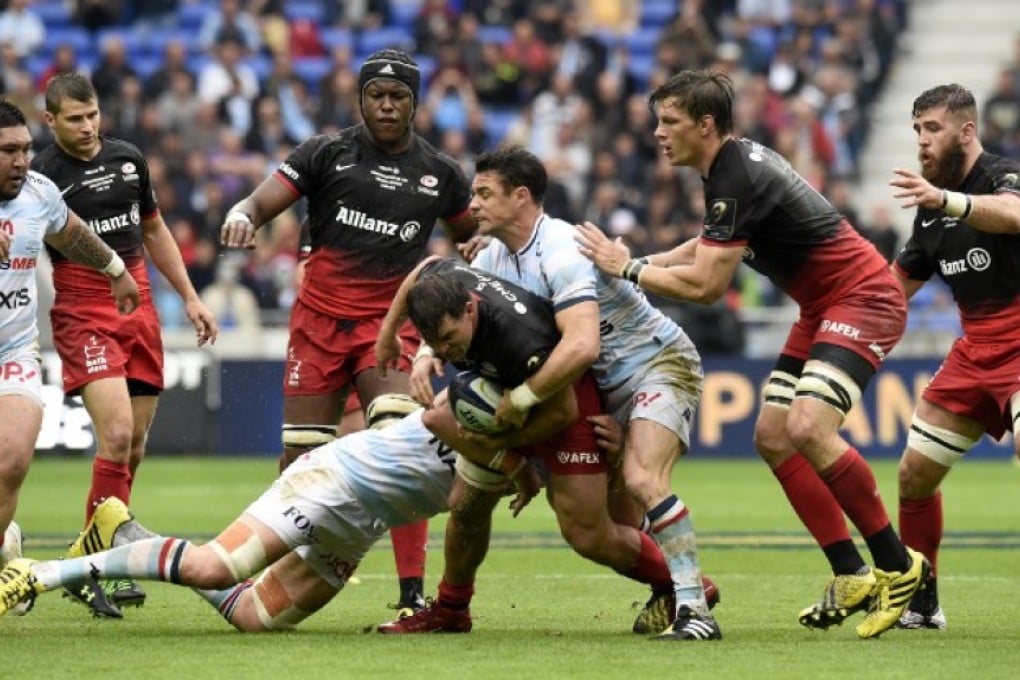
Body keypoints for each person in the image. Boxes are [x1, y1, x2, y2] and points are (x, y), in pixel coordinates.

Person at [574, 69, 927, 640]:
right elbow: (705, 246)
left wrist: (631, 269)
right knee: (772, 433)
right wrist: (641, 260)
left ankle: (897, 565)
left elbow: (709, 286)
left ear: (705, 125)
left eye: (670, 122)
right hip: (820, 306)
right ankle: (851, 570)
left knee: (810, 424)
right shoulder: (729, 170)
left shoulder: (734, 177)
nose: (659, 134)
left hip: (862, 298)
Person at [219, 49, 477, 614]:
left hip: (387, 328)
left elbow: (474, 238)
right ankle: (272, 571)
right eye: (376, 95)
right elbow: (262, 200)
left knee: (399, 442)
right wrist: (242, 214)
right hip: (315, 325)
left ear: (416, 101)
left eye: (398, 96)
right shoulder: (324, 152)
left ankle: (412, 593)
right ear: (359, 99)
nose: (387, 105)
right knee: (300, 461)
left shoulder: (440, 173)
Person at [376, 243, 719, 641]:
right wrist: (393, 338)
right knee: (463, 494)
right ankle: (452, 608)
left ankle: (691, 586)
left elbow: (563, 411)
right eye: (439, 343)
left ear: (470, 309)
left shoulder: (521, 336)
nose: (448, 350)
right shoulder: (447, 283)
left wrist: (504, 441)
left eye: (450, 339)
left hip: (562, 397)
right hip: (502, 385)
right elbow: (424, 268)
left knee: (587, 534)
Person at [0, 396, 545, 626]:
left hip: (362, 523)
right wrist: (515, 468)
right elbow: (450, 463)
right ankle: (42, 573)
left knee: (252, 617)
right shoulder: (488, 392)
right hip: (333, 482)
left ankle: (123, 533)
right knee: (216, 566)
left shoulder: (553, 427)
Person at [30, 73, 217, 614]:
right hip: (83, 312)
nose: (87, 127)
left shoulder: (129, 159)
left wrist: (190, 297)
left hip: (140, 312)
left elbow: (155, 231)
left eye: (92, 116)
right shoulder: (40, 177)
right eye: (74, 119)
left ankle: (96, 562)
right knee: (114, 434)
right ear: (50, 121)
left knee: (133, 446)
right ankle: (91, 571)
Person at [0, 98, 140, 617]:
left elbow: (72, 233)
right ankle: (6, 550)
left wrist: (114, 270)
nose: (21, 160)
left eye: (25, 149)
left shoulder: (38, 193)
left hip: (12, 352)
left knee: (11, 459)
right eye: (7, 151)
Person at [888, 83, 1020, 630]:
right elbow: (891, 290)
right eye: (917, 130)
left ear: (967, 131)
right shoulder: (928, 214)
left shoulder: (1001, 174)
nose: (921, 141)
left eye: (933, 129)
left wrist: (946, 200)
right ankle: (922, 605)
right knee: (914, 476)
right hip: (973, 351)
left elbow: (1014, 215)